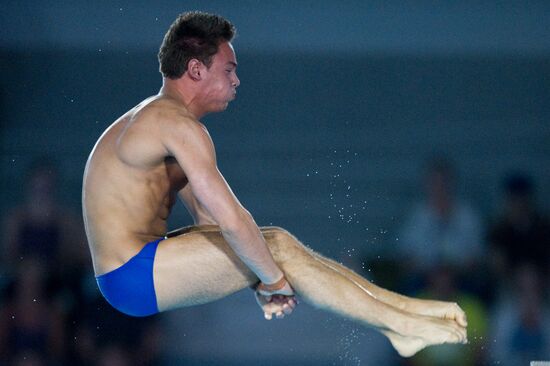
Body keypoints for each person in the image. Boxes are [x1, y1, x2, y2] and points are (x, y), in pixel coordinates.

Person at [82, 11, 468, 357]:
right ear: (197, 70)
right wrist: (274, 280)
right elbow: (232, 220)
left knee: (274, 243)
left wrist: (259, 279)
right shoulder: (177, 126)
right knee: (277, 247)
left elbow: (207, 221)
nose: (237, 80)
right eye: (228, 69)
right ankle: (401, 324)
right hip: (130, 275)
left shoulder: (159, 122)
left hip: (134, 267)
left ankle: (403, 315)